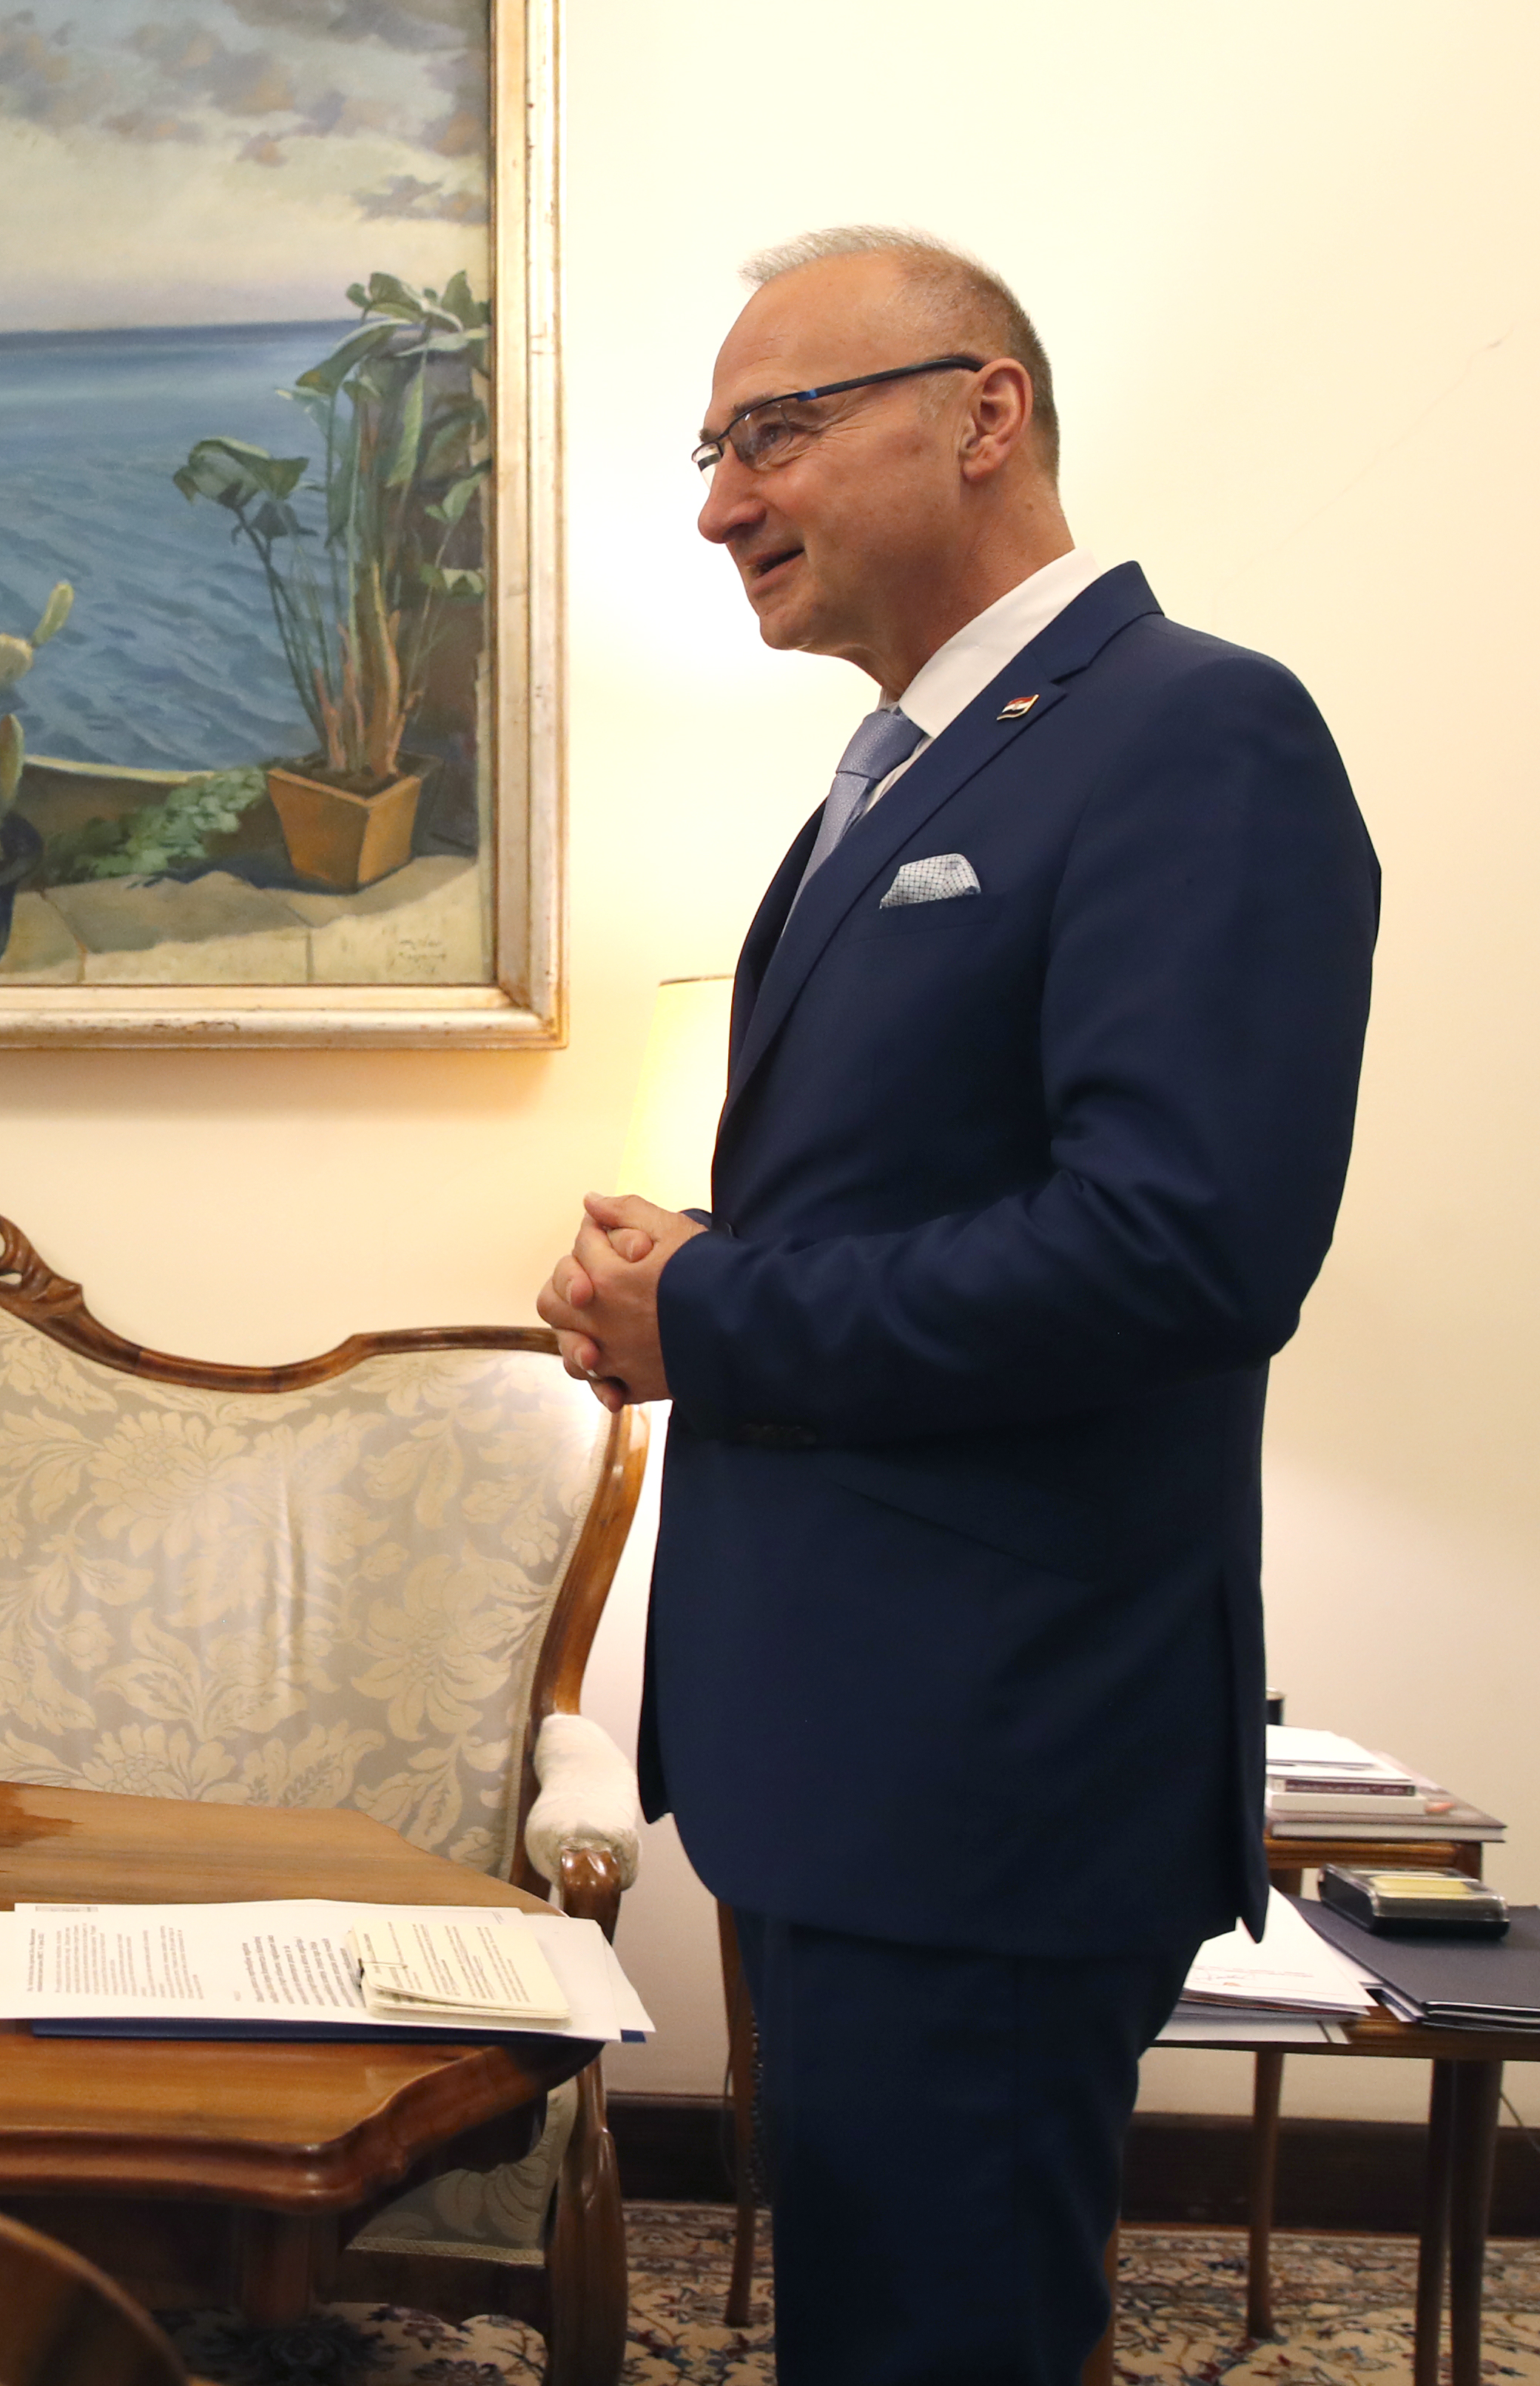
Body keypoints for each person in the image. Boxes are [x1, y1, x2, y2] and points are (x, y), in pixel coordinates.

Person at [537, 231, 1376, 2379]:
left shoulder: (1193, 734)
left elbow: (1181, 1251)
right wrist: (685, 1272)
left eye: (775, 432)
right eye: (710, 447)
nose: (718, 500)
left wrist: (709, 1318)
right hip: (847, 1752)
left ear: (981, 414)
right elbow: (917, 1194)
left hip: (992, 1764)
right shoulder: (912, 766)